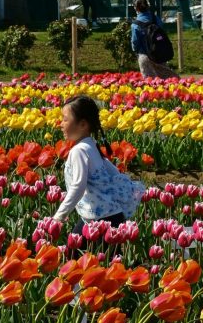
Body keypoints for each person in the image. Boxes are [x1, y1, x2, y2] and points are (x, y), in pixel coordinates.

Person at [51, 95, 144, 234]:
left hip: (97, 220)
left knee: (73, 254)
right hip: (112, 215)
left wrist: (58, 217)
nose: (61, 124)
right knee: (103, 255)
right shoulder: (91, 146)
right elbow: (114, 173)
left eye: (65, 119)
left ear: (83, 124)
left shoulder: (79, 151)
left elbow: (78, 186)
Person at [130, 0, 175, 78]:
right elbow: (161, 30)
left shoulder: (135, 25)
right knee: (168, 81)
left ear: (136, 8)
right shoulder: (155, 18)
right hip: (159, 55)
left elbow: (135, 43)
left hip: (145, 56)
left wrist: (136, 52)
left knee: (150, 84)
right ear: (147, 6)